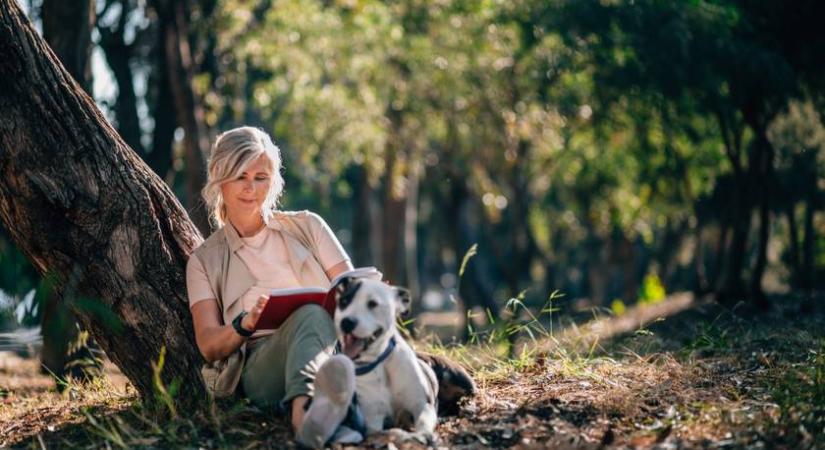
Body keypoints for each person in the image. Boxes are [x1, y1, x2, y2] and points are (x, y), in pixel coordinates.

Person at [186, 126, 360, 446]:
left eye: (261, 177)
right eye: (240, 176)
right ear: (219, 176)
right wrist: (244, 324)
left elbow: (352, 290)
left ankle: (336, 410)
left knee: (318, 321)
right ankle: (306, 424)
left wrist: (369, 295)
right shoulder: (203, 261)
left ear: (273, 181)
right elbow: (208, 343)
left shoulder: (309, 226)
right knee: (311, 315)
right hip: (262, 366)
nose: (250, 188)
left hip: (330, 344)